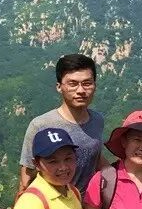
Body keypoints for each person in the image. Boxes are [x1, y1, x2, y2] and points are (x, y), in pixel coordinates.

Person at [19, 54, 105, 194]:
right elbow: (27, 175)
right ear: (59, 87)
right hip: (54, 203)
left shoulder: (97, 120)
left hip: (87, 203)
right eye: (73, 84)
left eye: (87, 83)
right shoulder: (41, 125)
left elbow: (95, 156)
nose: (81, 91)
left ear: (95, 85)